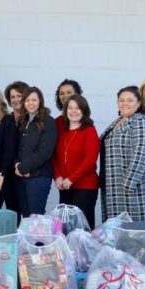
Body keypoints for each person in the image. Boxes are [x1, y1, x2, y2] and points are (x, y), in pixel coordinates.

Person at [100, 86, 145, 222]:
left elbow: (141, 154)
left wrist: (128, 185)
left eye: (130, 100)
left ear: (138, 103)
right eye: (121, 100)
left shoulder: (140, 121)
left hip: (136, 188)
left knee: (139, 232)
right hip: (115, 186)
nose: (125, 103)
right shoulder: (116, 122)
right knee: (120, 233)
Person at [52, 95, 100, 228]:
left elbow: (90, 159)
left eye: (77, 108)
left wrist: (71, 178)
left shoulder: (89, 131)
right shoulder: (63, 132)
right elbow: (55, 157)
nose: (73, 111)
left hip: (85, 187)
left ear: (84, 111)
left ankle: (86, 249)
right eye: (70, 108)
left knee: (83, 226)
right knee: (66, 226)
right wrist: (58, 176)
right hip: (65, 186)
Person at [15, 86, 57, 218]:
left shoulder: (48, 121)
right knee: (26, 216)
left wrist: (23, 168)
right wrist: (16, 165)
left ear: (40, 101)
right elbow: (16, 147)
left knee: (36, 217)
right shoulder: (23, 121)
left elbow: (45, 152)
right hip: (21, 177)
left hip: (39, 178)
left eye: (34, 100)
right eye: (27, 100)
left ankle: (38, 240)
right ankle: (29, 240)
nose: (30, 103)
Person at [3, 81, 29, 217]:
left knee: (28, 213)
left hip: (27, 173)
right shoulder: (5, 119)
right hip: (9, 174)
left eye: (19, 95)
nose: (16, 99)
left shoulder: (34, 119)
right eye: (12, 97)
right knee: (12, 212)